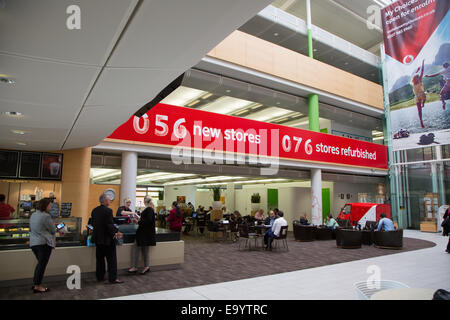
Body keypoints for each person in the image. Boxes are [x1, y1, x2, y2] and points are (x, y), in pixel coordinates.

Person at [91, 194, 124, 284]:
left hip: (98, 239)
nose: (110, 201)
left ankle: (100, 276)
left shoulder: (94, 210)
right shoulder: (108, 211)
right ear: (105, 201)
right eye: (109, 200)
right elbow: (109, 225)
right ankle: (113, 278)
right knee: (111, 259)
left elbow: (93, 223)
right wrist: (115, 232)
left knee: (100, 259)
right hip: (107, 240)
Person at [29, 198, 55, 293]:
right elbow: (52, 230)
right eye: (49, 205)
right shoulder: (46, 216)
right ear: (45, 206)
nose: (50, 207)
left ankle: (36, 284)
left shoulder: (33, 215)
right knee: (41, 265)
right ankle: (37, 286)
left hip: (34, 244)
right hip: (43, 243)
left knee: (40, 264)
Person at [128, 196, 156, 275]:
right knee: (144, 250)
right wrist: (139, 219)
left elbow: (147, 221)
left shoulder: (149, 209)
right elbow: (147, 220)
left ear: (145, 201)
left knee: (137, 248)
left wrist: (137, 221)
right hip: (145, 233)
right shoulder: (150, 209)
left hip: (144, 233)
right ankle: (145, 266)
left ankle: (137, 267)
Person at [411, 59, 426, 128]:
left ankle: (421, 121)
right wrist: (422, 63)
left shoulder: (413, 83)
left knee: (419, 110)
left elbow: (415, 74)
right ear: (416, 78)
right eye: (417, 77)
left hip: (416, 97)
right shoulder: (419, 81)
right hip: (421, 95)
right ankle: (423, 103)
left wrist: (418, 69)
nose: (418, 78)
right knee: (424, 96)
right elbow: (422, 71)